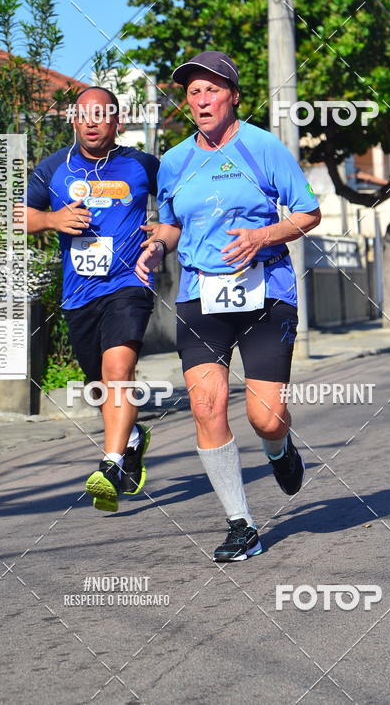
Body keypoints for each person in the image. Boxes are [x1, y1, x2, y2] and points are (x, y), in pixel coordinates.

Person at [136, 51, 321, 561]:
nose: (201, 100)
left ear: (233, 96)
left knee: (265, 417)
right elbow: (173, 226)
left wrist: (262, 234)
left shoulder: (262, 147)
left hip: (267, 293)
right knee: (206, 404)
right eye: (193, 92)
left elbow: (309, 212)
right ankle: (241, 524)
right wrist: (156, 246)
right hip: (200, 294)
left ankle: (279, 449)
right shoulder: (173, 162)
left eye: (212, 89)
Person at [26, 86, 158, 512]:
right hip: (79, 292)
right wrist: (51, 218)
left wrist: (163, 229)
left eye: (102, 114)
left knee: (118, 370)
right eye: (84, 114)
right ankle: (133, 438)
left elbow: (181, 199)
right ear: (73, 120)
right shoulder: (53, 169)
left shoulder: (141, 165)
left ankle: (111, 463)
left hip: (129, 284)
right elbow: (15, 215)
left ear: (116, 120)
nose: (92, 121)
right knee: (98, 386)